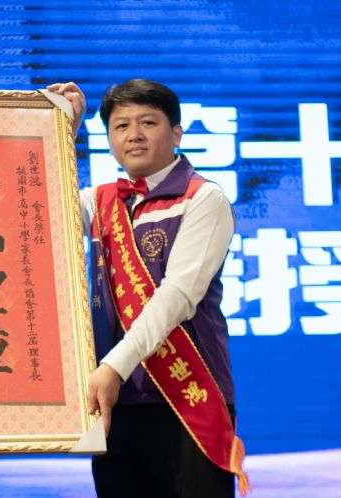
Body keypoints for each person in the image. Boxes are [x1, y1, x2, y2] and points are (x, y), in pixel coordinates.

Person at [48, 80, 247, 498]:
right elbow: (35, 206)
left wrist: (113, 366)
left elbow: (178, 297)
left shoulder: (203, 198)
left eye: (148, 123)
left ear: (177, 133)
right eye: (121, 126)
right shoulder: (99, 202)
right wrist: (65, 128)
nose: (134, 134)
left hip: (187, 397)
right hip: (117, 398)